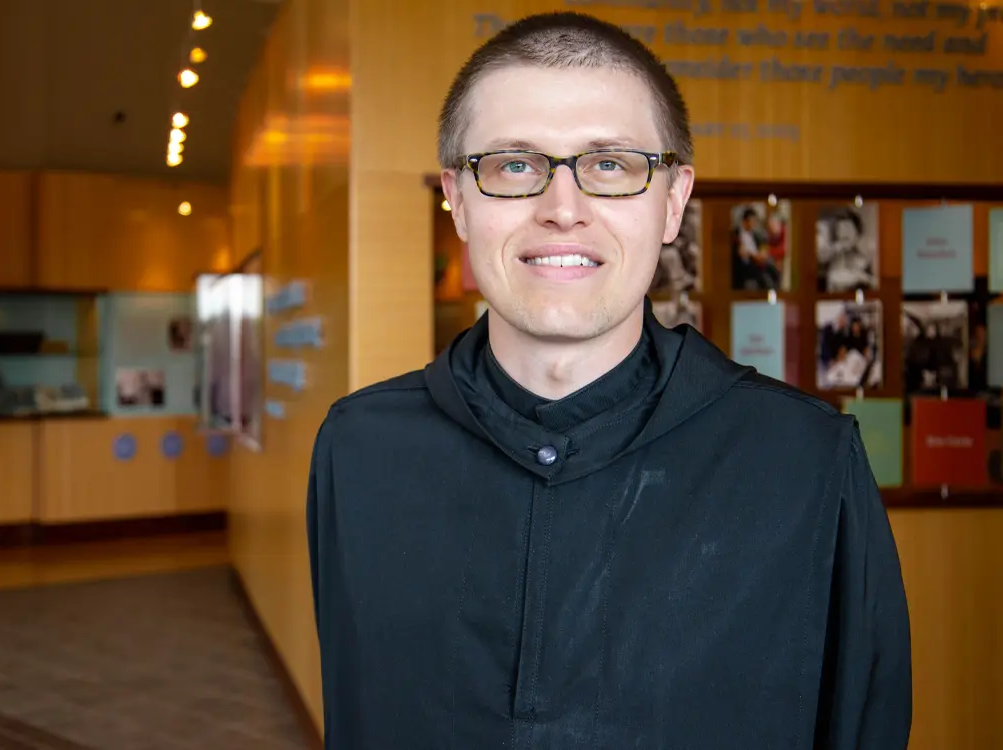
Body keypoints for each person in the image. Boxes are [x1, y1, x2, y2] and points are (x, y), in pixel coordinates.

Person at [306, 11, 911, 749]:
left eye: (612, 165)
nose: (563, 210)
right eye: (514, 165)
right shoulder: (360, 450)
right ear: (458, 198)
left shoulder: (806, 464)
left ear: (673, 201)